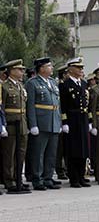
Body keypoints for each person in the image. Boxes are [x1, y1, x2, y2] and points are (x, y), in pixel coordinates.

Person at [25, 58, 62, 191]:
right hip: (41, 122)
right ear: (41, 68)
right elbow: (30, 106)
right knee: (38, 153)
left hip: (54, 121)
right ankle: (37, 179)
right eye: (49, 66)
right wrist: (33, 124)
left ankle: (48, 177)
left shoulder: (52, 82)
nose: (51, 68)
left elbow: (58, 104)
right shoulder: (32, 83)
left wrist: (60, 122)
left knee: (51, 153)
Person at [59, 57, 91, 189]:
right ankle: (74, 178)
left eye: (81, 68)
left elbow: (87, 104)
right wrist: (64, 121)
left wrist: (89, 120)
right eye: (78, 68)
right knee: (73, 150)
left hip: (82, 118)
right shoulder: (65, 85)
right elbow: (63, 105)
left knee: (83, 149)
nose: (81, 70)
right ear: (70, 69)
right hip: (72, 118)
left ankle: (82, 175)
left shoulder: (83, 84)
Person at [0, 60, 31, 192]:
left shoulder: (21, 86)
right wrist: (3, 125)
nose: (22, 72)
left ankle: (18, 179)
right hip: (11, 124)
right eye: (19, 69)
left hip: (22, 124)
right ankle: (9, 180)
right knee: (9, 154)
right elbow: (2, 108)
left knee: (20, 154)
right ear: (11, 71)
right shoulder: (4, 87)